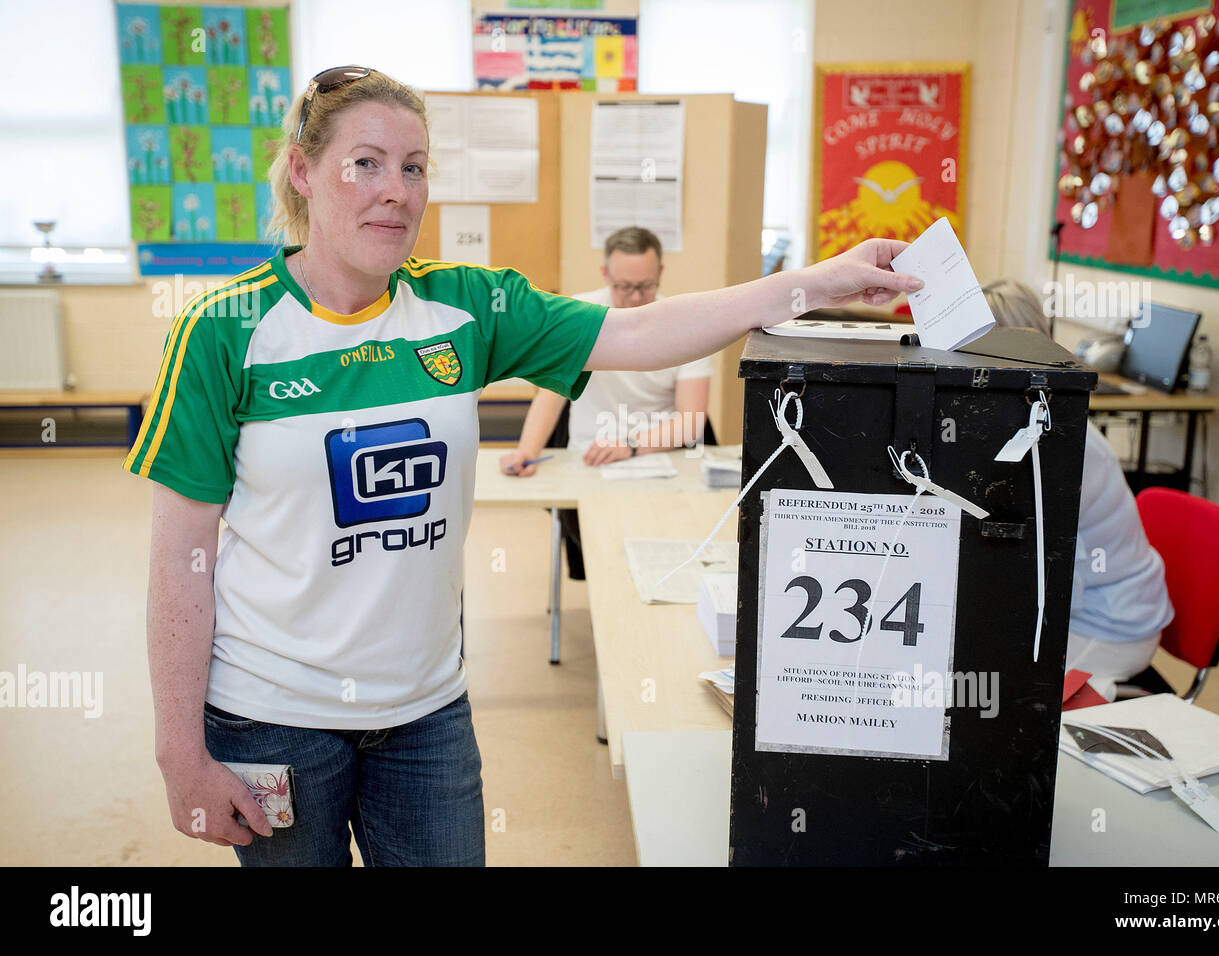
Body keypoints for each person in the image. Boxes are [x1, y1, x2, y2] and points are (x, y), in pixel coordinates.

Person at [124, 65, 923, 867]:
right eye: (365, 162)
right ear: (303, 171)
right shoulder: (223, 331)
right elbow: (178, 562)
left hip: (424, 710)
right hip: (273, 710)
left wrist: (813, 284)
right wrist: (179, 756)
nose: (395, 190)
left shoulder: (468, 306)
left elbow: (639, 333)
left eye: (414, 166)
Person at [981, 280, 1174, 700]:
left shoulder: (1068, 444)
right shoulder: (1023, 420)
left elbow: (1040, 570)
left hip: (1109, 626)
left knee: (1003, 694)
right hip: (1078, 605)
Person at [498, 226, 710, 578]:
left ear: (660, 274)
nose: (634, 298)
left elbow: (690, 422)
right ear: (605, 274)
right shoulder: (580, 314)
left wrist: (629, 445)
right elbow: (550, 397)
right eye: (624, 287)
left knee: (661, 562)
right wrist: (526, 450)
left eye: (645, 286)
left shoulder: (685, 324)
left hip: (659, 462)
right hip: (590, 460)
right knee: (609, 560)